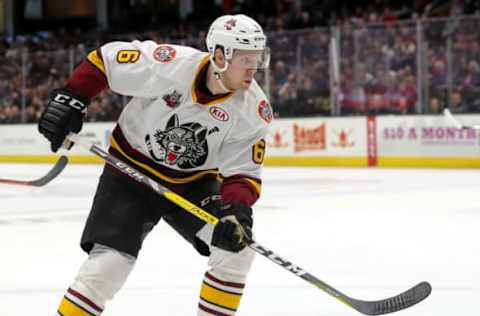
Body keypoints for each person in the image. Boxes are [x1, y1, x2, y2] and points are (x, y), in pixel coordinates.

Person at [38, 14, 272, 316]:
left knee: (236, 251)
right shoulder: (171, 64)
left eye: (257, 57)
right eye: (245, 58)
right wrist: (72, 97)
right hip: (129, 171)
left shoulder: (254, 109)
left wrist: (236, 213)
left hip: (192, 184)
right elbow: (106, 60)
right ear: (219, 55)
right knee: (109, 265)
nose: (254, 67)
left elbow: (243, 174)